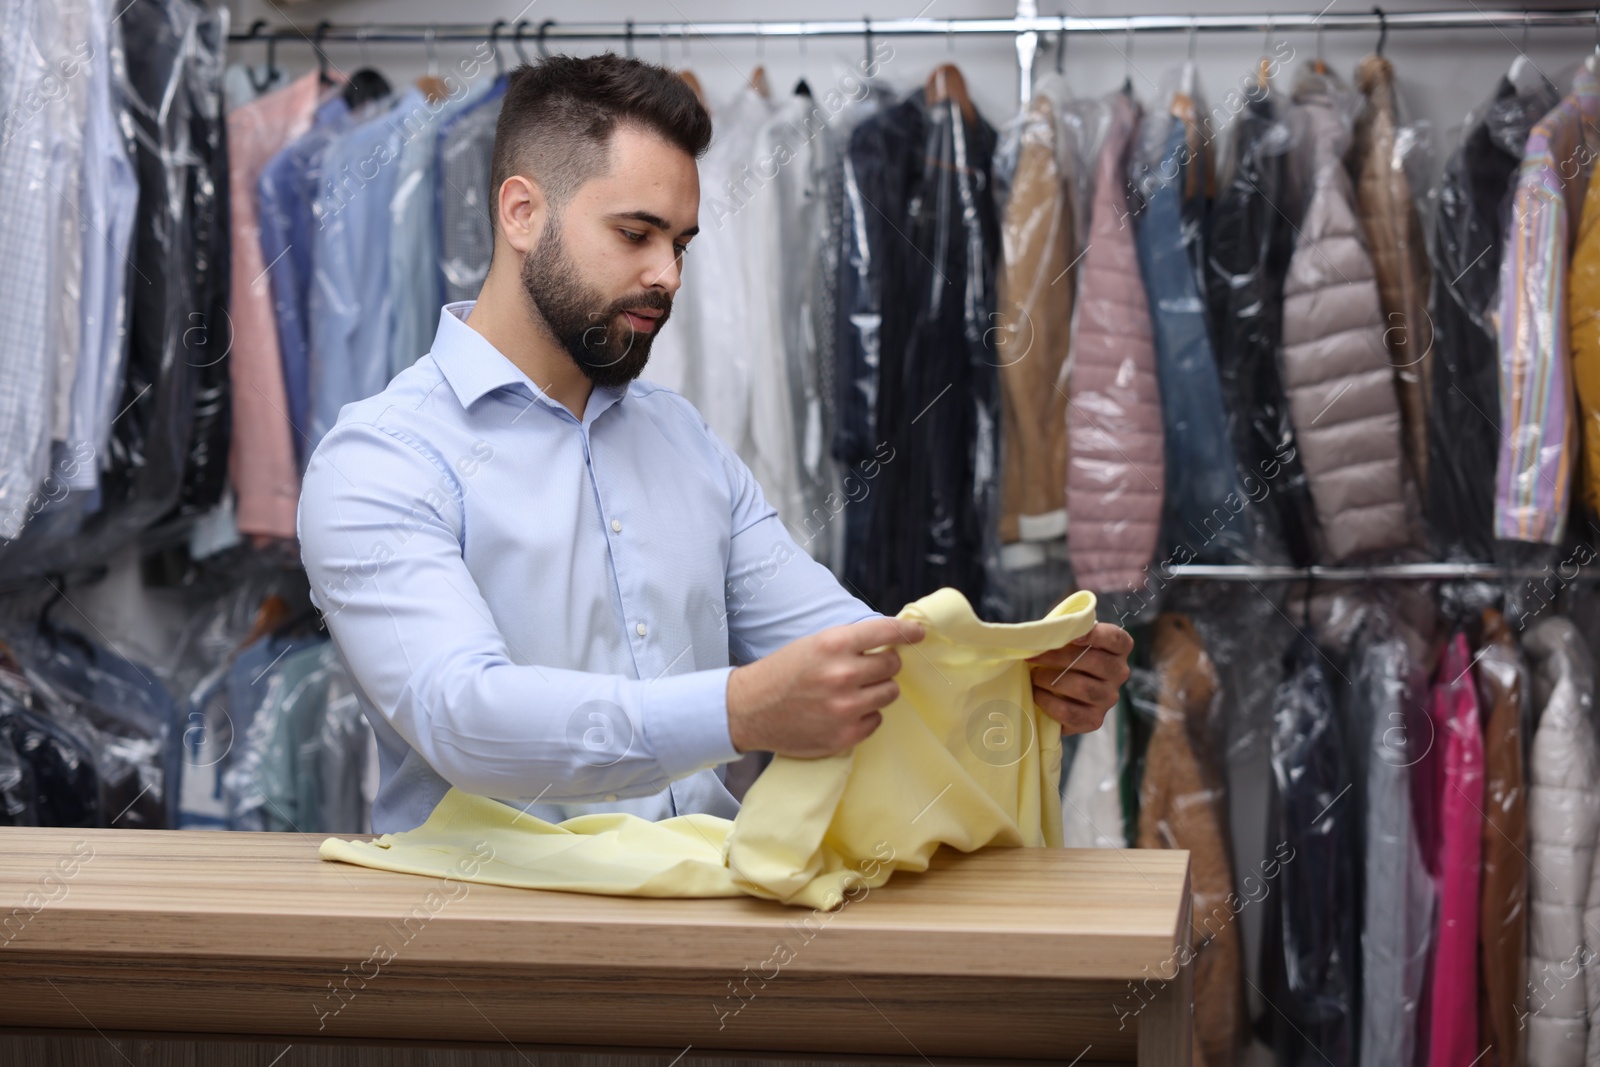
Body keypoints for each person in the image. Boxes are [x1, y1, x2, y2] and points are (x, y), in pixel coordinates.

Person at [296, 52, 1134, 836]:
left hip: (701, 936)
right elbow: (462, 717)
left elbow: (835, 638)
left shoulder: (679, 438)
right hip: (494, 950)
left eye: (682, 243)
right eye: (636, 234)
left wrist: (1006, 677)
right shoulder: (382, 460)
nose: (670, 275)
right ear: (522, 212)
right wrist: (737, 712)